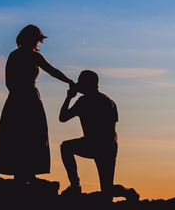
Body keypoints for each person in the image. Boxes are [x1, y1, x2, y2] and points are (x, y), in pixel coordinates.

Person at [0, 25, 75, 183]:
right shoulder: (19, 56)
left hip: (23, 98)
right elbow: (10, 82)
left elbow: (52, 71)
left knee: (31, 134)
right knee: (21, 135)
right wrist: (22, 95)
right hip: (24, 98)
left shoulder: (30, 56)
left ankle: (28, 171)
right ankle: (21, 172)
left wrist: (69, 81)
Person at [58, 70, 137, 200]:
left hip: (107, 148)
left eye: (80, 81)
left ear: (89, 84)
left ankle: (129, 193)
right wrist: (69, 97)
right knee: (66, 147)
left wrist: (105, 151)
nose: (78, 84)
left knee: (107, 190)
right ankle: (75, 185)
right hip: (89, 143)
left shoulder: (106, 102)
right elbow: (63, 118)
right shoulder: (82, 101)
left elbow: (111, 131)